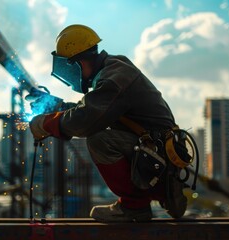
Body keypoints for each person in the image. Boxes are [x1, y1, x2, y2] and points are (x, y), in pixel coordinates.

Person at [29, 24, 187, 222]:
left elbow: (87, 119)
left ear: (76, 63)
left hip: (157, 156)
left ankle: (134, 207)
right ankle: (163, 192)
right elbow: (92, 109)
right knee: (100, 135)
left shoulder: (114, 77)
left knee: (100, 140)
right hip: (154, 153)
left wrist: (45, 124)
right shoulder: (111, 71)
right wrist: (52, 105)